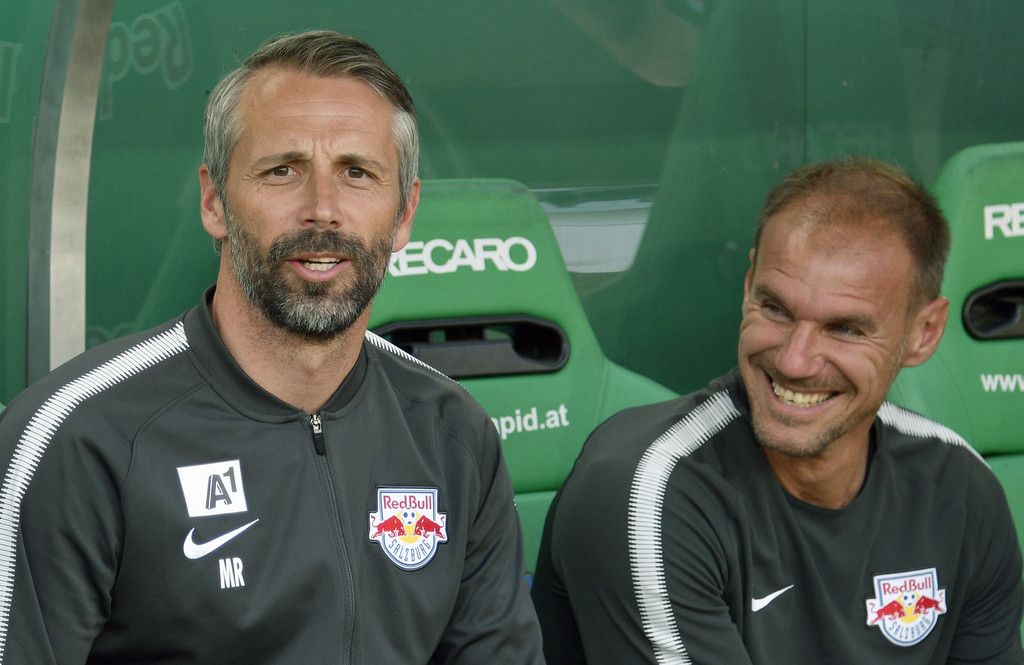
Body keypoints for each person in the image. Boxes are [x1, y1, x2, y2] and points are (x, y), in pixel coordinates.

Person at [0, 31, 543, 664]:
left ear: (403, 214)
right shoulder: (78, 438)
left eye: (357, 173)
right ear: (214, 202)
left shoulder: (451, 433)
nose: (322, 210)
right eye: (282, 171)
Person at [531, 158, 1024, 663]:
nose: (794, 360)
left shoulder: (960, 488)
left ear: (924, 333)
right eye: (775, 309)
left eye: (845, 329)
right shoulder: (645, 492)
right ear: (748, 286)